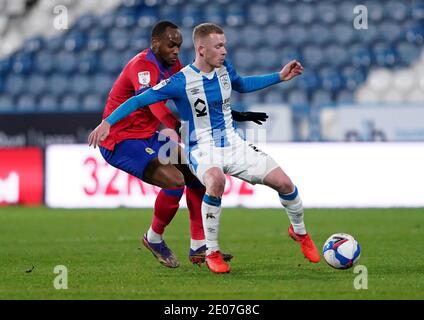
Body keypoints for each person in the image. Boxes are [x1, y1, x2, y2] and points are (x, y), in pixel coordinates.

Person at [88, 23, 320, 274]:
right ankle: (157, 238)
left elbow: (227, 91)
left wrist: (277, 78)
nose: (177, 50)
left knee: (195, 178)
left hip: (155, 135)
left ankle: (198, 245)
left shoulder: (196, 68)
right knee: (178, 180)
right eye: (171, 45)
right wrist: (108, 123)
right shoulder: (147, 67)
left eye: (179, 45)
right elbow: (149, 103)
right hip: (121, 139)